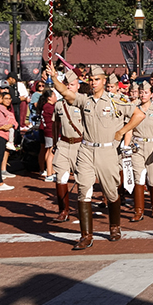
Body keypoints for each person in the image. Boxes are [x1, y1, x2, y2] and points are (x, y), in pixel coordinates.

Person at [48, 63, 146, 250]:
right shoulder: (85, 101)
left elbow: (139, 115)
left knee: (111, 192)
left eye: (97, 80)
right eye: (91, 80)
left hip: (107, 151)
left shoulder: (115, 101)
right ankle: (86, 236)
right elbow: (67, 94)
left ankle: (114, 226)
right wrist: (54, 78)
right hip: (85, 150)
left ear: (104, 81)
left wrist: (122, 131)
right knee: (83, 190)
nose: (93, 83)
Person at [129, 81, 153, 221]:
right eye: (141, 92)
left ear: (151, 94)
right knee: (138, 177)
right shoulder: (134, 109)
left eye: (146, 92)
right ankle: (138, 210)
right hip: (137, 146)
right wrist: (127, 145)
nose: (143, 95)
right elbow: (130, 129)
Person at [50, 70, 84, 222]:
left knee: (83, 179)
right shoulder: (59, 105)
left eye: (72, 85)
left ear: (78, 86)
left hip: (79, 144)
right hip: (63, 143)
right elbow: (55, 124)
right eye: (67, 85)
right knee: (60, 177)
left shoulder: (84, 103)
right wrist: (55, 142)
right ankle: (63, 211)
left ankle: (83, 208)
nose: (69, 87)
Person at [0, 92, 16, 191]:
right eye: (2, 98)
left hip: (0, 135)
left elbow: (14, 123)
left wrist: (10, 125)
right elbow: (5, 123)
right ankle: (0, 183)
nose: (4, 100)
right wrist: (9, 125)